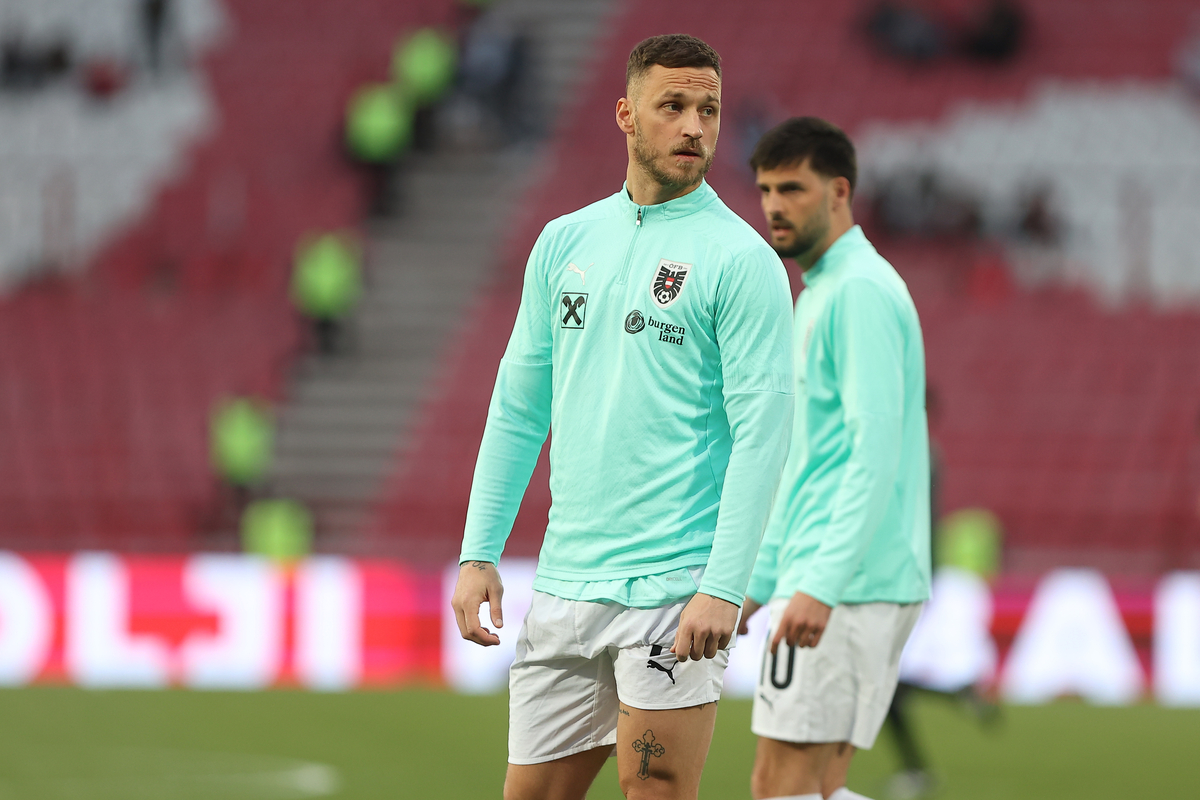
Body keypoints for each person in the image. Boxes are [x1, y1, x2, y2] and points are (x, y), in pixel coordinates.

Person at [450, 33, 795, 800]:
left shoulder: (741, 262)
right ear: (626, 115)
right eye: (672, 106)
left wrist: (724, 587)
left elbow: (764, 437)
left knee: (657, 792)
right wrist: (479, 553)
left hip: (674, 592)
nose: (695, 127)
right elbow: (518, 405)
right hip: (567, 585)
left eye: (707, 108)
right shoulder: (563, 242)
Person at [740, 117, 932, 800]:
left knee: (781, 787)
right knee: (810, 787)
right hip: (835, 574)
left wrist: (819, 582)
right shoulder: (824, 291)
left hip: (847, 582)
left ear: (840, 192)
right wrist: (757, 579)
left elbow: (872, 451)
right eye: (765, 189)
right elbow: (810, 465)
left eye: (792, 188)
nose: (773, 205)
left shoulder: (857, 293)